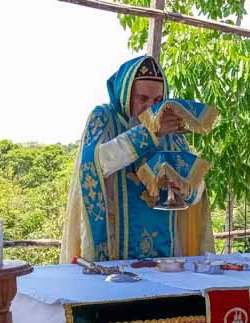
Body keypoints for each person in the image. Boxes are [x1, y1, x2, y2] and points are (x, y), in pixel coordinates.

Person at [60, 56, 214, 262]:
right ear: (126, 95)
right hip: (115, 250)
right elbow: (93, 165)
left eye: (157, 100)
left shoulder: (170, 125)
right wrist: (149, 132)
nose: (151, 107)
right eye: (142, 98)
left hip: (166, 253)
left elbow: (197, 186)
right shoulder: (104, 117)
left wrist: (186, 189)